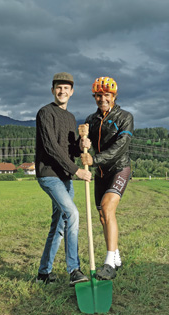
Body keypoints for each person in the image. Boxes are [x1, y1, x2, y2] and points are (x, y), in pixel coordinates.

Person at [35, 72, 93, 286]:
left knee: (59, 225)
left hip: (65, 177)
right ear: (53, 90)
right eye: (58, 87)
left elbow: (70, 149)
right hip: (49, 174)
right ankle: (74, 269)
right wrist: (77, 170)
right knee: (72, 213)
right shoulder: (45, 113)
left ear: (72, 92)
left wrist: (81, 145)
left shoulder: (70, 118)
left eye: (66, 88)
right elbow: (51, 148)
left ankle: (44, 273)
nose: (62, 91)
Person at [81, 76, 134, 280]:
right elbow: (87, 146)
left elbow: (121, 146)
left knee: (107, 206)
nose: (102, 98)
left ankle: (109, 262)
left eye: (106, 95)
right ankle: (117, 256)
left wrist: (94, 159)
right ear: (94, 97)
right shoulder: (91, 120)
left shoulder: (125, 117)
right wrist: (83, 142)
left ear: (114, 96)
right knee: (103, 216)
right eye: (98, 95)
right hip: (100, 173)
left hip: (119, 169)